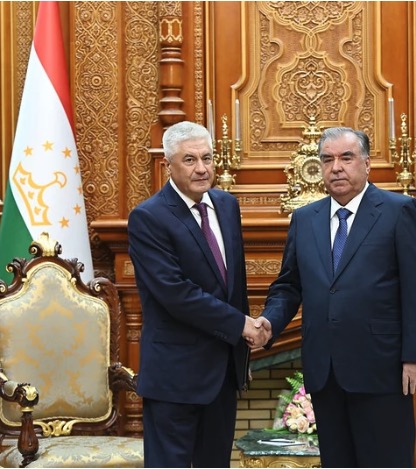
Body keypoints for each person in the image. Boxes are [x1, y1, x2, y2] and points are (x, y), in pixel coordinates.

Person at [254, 127, 416, 467]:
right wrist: (269, 322)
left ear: (366, 164)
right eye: (328, 160)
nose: (336, 167)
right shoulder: (304, 219)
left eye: (346, 158)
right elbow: (289, 286)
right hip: (325, 371)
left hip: (382, 368)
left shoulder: (398, 211)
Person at [128, 121, 268, 467]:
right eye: (189, 160)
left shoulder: (226, 205)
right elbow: (175, 293)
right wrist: (241, 325)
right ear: (168, 165)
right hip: (174, 378)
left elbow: (234, 286)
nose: (202, 168)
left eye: (207, 158)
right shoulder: (148, 217)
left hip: (222, 374)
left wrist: (241, 356)